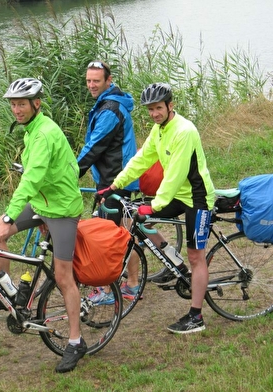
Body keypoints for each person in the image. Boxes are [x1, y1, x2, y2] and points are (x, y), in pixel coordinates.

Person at [0, 78, 86, 373]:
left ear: (36, 104)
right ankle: (6, 292)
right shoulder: (32, 131)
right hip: (41, 205)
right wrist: (5, 220)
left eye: (21, 104)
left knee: (63, 278)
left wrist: (9, 217)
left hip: (62, 210)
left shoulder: (45, 134)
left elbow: (32, 179)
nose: (16, 109)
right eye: (12, 104)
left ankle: (75, 342)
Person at [99, 82, 215, 334]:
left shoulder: (184, 131)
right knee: (138, 220)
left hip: (197, 197)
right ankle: (175, 265)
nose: (154, 114)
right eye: (150, 110)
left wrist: (154, 205)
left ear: (170, 106)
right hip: (177, 195)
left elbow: (174, 175)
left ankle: (196, 317)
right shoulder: (159, 129)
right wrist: (115, 185)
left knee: (197, 255)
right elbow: (141, 159)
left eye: (158, 108)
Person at [77, 60, 140, 301]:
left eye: (96, 81)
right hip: (114, 178)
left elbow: (94, 148)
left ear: (108, 80)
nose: (91, 85)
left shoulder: (110, 109)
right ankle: (132, 283)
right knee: (124, 232)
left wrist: (71, 173)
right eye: (88, 81)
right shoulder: (108, 104)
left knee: (109, 238)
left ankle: (108, 290)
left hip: (115, 181)